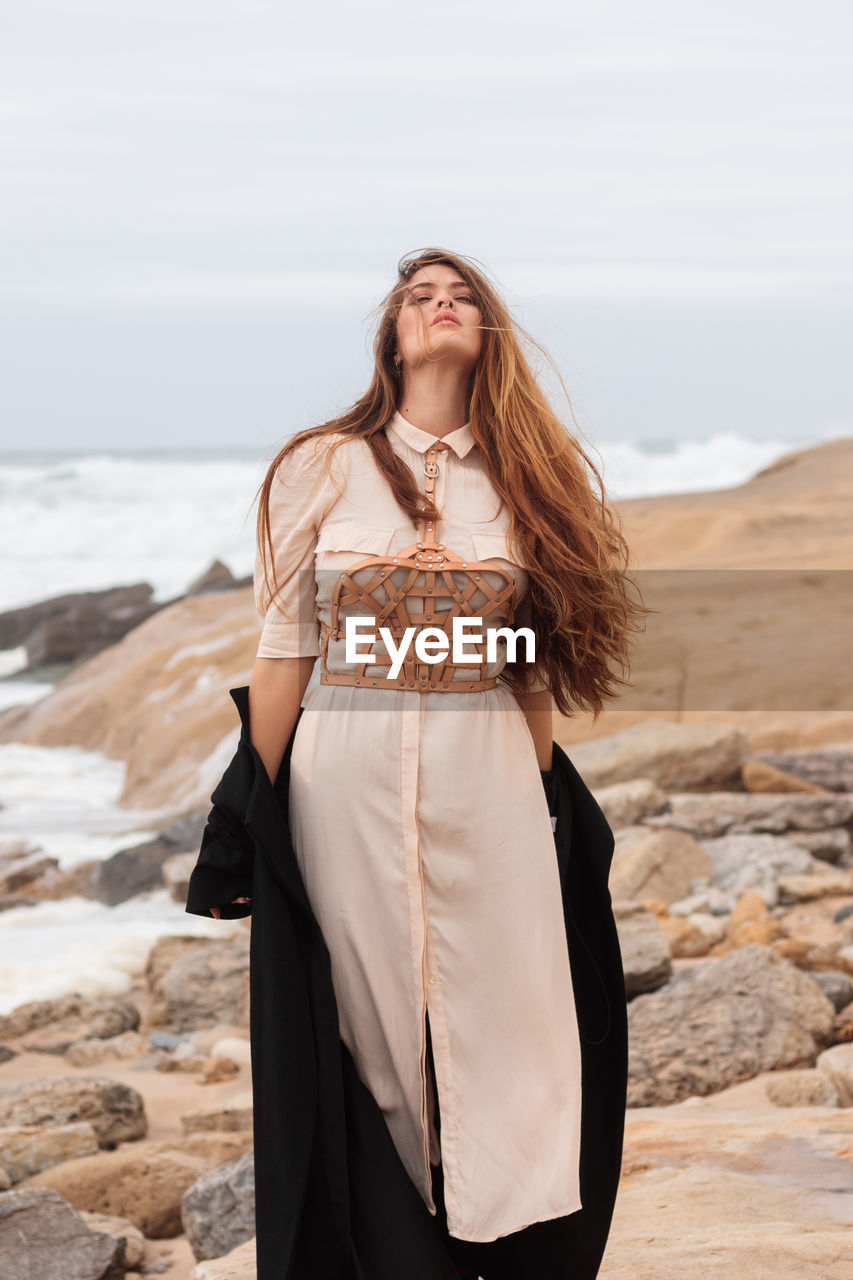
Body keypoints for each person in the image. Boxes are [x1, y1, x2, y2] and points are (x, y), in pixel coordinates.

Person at [208, 246, 645, 1276]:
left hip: (486, 772)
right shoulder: (320, 464)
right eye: (419, 295)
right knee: (369, 1032)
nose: (441, 306)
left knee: (515, 1026)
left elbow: (531, 670)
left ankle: (513, 1237)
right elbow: (284, 649)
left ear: (483, 332)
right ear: (391, 333)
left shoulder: (535, 481)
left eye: (461, 297)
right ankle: (402, 1253)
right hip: (341, 776)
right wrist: (242, 819)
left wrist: (542, 802)